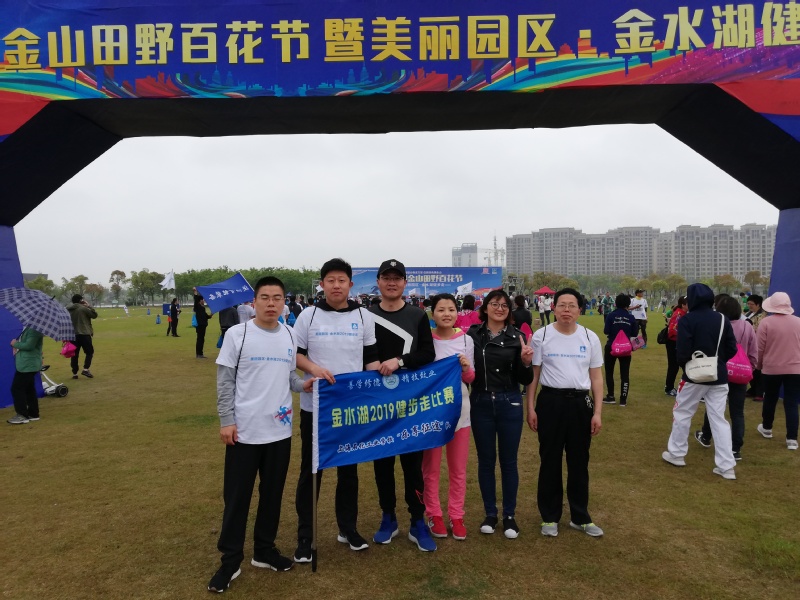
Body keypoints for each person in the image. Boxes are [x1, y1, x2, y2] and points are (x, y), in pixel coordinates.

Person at [208, 276, 309, 593]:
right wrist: (227, 420)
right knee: (237, 498)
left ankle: (264, 550)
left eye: (277, 298)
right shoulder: (238, 334)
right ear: (254, 302)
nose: (271, 303)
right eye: (265, 297)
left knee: (272, 494)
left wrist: (304, 384)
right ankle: (230, 560)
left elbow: (289, 376)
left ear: (284, 302)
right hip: (244, 432)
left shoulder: (289, 333)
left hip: (279, 431)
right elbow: (225, 381)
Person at [292, 258, 380, 563]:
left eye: (342, 280)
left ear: (350, 284)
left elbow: (370, 358)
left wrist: (381, 379)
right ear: (322, 284)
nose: (336, 285)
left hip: (350, 409)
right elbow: (296, 355)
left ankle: (348, 528)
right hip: (315, 407)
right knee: (311, 470)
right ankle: (306, 536)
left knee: (349, 470)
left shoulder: (364, 316)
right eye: (330, 280)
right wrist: (315, 369)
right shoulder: (308, 316)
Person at [369, 259, 437, 552]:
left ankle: (418, 521)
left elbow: (428, 353)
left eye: (397, 278)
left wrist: (400, 361)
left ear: (405, 283)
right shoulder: (366, 315)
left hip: (411, 404)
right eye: (387, 277)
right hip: (378, 405)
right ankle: (388, 517)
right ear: (379, 282)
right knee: (382, 463)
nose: (392, 282)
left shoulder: (417, 315)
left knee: (412, 466)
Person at [527, 288, 604, 538]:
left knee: (579, 461)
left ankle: (580, 516)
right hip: (550, 402)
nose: (566, 310)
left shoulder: (590, 337)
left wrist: (597, 412)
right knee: (550, 459)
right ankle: (549, 517)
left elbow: (596, 377)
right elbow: (534, 375)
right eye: (562, 305)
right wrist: (531, 407)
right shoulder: (542, 335)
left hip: (581, 404)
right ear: (554, 308)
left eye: (572, 305)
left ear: (580, 310)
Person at [468, 289, 533, 539]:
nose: (499, 308)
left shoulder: (518, 337)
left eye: (504, 305)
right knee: (486, 460)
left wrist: (525, 362)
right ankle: (490, 514)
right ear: (485, 308)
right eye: (494, 304)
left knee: (508, 461)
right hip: (481, 402)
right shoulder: (472, 335)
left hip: (509, 402)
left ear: (509, 310)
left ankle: (509, 516)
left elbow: (524, 379)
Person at [662, 283, 738, 479]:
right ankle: (726, 466)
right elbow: (732, 348)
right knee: (718, 419)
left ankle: (677, 454)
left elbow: (682, 351)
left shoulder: (688, 320)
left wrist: (689, 365)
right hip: (719, 376)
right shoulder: (722, 319)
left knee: (682, 412)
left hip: (693, 375)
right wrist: (718, 362)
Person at [422, 294, 475, 541]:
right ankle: (433, 513)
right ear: (432, 313)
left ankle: (456, 515)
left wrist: (465, 369)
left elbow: (471, 378)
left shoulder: (466, 340)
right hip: (431, 413)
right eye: (441, 309)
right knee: (431, 468)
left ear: (457, 312)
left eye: (451, 309)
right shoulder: (425, 339)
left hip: (460, 412)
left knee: (458, 468)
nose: (446, 314)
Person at [694, 296, 756, 461]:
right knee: (737, 412)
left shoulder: (718, 324)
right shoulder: (747, 326)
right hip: (740, 373)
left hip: (719, 371)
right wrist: (750, 368)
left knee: (714, 406)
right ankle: (736, 448)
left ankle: (706, 436)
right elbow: (753, 351)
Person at [755, 292, 800, 451]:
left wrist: (758, 365)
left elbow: (759, 348)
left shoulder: (766, 323)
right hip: (795, 368)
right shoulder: (798, 322)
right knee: (791, 403)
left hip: (771, 368)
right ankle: (792, 439)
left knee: (770, 398)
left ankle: (767, 428)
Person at [602, 294, 638, 406]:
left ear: (616, 303)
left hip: (611, 346)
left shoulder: (611, 316)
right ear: (628, 304)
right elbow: (634, 333)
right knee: (625, 374)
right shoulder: (631, 317)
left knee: (609, 372)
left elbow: (606, 331)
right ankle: (623, 400)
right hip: (626, 348)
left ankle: (611, 396)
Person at [7, 326, 44, 424]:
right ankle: (33, 413)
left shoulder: (34, 329)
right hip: (26, 365)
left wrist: (15, 344)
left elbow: (29, 346)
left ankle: (22, 415)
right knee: (29, 389)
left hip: (28, 365)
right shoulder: (29, 328)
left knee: (17, 388)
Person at [67, 294, 97, 379]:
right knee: (89, 352)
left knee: (74, 354)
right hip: (84, 333)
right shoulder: (83, 309)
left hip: (72, 335)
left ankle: (74, 373)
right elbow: (94, 315)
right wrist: (88, 306)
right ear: (81, 300)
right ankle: (85, 369)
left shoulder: (68, 309)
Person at [664, 296, 688, 396]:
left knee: (679, 365)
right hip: (673, 342)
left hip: (677, 342)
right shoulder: (679, 314)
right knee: (674, 366)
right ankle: (669, 388)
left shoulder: (683, 313)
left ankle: (672, 387)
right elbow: (673, 330)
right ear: (683, 305)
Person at [744, 294, 765, 401]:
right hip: (749, 344)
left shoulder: (762, 316)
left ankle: (759, 392)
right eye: (748, 303)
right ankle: (753, 389)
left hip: (758, 344)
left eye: (751, 304)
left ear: (758, 305)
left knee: (758, 370)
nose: (749, 306)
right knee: (751, 368)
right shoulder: (748, 313)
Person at [193, 287, 213, 359]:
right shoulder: (197, 307)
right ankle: (199, 354)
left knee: (201, 339)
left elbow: (206, 316)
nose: (203, 301)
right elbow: (196, 299)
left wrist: (210, 315)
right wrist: (195, 292)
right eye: (202, 300)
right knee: (200, 339)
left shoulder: (202, 308)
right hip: (200, 325)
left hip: (203, 325)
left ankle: (200, 353)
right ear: (200, 301)